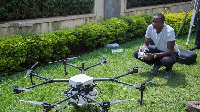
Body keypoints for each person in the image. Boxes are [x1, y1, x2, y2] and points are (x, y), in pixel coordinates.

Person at [134, 13, 180, 78]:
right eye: (153, 21)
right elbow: (146, 42)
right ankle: (157, 63)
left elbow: (170, 51)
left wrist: (154, 55)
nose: (153, 23)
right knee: (137, 53)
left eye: (156, 22)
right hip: (159, 50)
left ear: (162, 22)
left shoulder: (170, 31)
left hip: (172, 53)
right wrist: (143, 49)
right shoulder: (150, 27)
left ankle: (168, 69)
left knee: (166, 60)